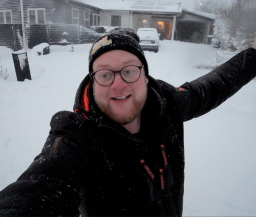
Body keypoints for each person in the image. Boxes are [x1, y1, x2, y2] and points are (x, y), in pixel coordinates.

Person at [0, 28, 256, 217]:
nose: (118, 83)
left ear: (145, 76)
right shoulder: (76, 137)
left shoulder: (168, 104)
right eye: (105, 73)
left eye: (129, 70)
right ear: (93, 80)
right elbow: (37, 191)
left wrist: (253, 56)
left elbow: (213, 86)